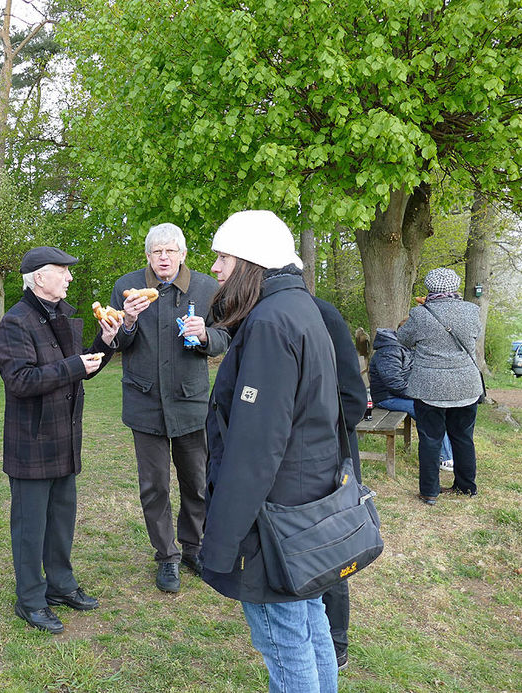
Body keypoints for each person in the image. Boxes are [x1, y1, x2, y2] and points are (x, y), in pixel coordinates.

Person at [201, 210, 339, 692]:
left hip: (275, 520)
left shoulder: (270, 322)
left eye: (223, 256)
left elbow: (254, 449)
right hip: (305, 506)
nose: (215, 268)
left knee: (285, 640)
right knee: (308, 622)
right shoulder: (300, 308)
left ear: (251, 261)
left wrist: (219, 540)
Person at [0, 246, 121, 634]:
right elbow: (19, 380)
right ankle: (30, 600)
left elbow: (81, 369)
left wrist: (104, 342)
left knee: (61, 520)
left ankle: (60, 585)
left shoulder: (63, 315)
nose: (69, 277)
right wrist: (72, 366)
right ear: (38, 278)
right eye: (62, 271)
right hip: (32, 441)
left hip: (64, 437)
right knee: (30, 527)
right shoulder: (14, 323)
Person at [108, 222, 230, 593]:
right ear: (147, 256)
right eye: (156, 252)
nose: (163, 257)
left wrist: (206, 334)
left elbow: (226, 337)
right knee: (154, 486)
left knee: (196, 481)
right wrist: (127, 320)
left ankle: (193, 547)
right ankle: (166, 556)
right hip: (144, 403)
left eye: (170, 251)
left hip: (190, 402)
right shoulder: (126, 287)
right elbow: (115, 341)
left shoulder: (207, 289)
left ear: (183, 254)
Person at [312, 296, 368, 671]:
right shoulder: (254, 314)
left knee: (332, 549)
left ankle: (336, 642)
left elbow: (353, 397)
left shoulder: (324, 313)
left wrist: (319, 442)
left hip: (329, 456)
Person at [397, 267, 482, 506]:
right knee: (464, 437)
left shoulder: (420, 314)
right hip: (466, 385)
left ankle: (429, 492)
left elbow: (402, 338)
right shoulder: (472, 311)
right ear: (455, 286)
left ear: (429, 288)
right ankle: (466, 487)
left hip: (429, 387)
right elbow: (474, 336)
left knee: (431, 440)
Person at [369, 327, 454, 470]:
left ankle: (448, 455)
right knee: (428, 413)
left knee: (437, 409)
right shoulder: (389, 351)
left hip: (399, 395)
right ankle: (443, 458)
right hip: (386, 398)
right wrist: (418, 394)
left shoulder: (403, 348)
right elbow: (393, 383)